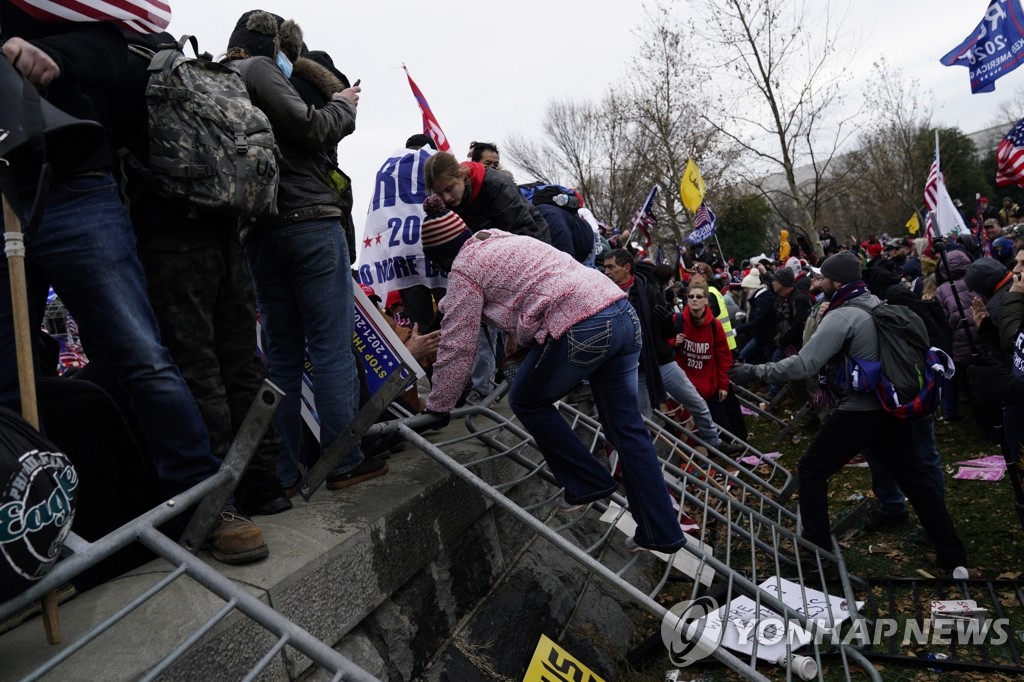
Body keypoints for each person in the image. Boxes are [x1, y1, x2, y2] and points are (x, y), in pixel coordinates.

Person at [0, 4, 268, 564]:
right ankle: (31, 535)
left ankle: (204, 501)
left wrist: (54, 56)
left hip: (71, 184)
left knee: (143, 356)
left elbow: (108, 46)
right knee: (7, 380)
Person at [418, 196, 686, 553]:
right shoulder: (499, 240)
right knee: (627, 430)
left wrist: (438, 406)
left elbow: (458, 344)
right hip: (621, 312)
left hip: (583, 323)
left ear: (443, 258)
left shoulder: (465, 270)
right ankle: (662, 530)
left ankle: (587, 481)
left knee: (527, 398)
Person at [225, 10, 386, 493]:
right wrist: (343, 105)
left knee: (281, 358)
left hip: (258, 231)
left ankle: (283, 471)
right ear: (272, 47)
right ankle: (343, 460)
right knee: (331, 346)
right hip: (308, 223)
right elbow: (309, 127)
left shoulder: (219, 80)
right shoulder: (258, 68)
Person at [729, 252, 969, 569]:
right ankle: (952, 553)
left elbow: (805, 364)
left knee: (812, 469)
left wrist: (753, 372)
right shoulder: (875, 303)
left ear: (837, 281)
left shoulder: (841, 316)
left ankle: (817, 553)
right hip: (888, 407)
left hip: (859, 411)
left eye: (823, 278)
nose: (819, 282)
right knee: (916, 480)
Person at [604, 250, 743, 455]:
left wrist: (666, 321)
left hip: (662, 362)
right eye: (605, 267)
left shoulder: (648, 289)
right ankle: (644, 460)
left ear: (626, 268)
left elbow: (670, 331)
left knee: (697, 404)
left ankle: (714, 442)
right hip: (637, 367)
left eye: (611, 267)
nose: (606, 272)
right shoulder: (606, 295)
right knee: (643, 418)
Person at [670, 280, 747, 439]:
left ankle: (730, 453)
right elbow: (661, 347)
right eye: (691, 296)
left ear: (706, 300)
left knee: (723, 427)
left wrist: (723, 386)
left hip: (710, 386)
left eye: (699, 296)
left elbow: (724, 358)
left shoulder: (714, 325)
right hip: (687, 387)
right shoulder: (677, 321)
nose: (694, 299)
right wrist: (673, 342)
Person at [735, 272, 776, 364]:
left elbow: (757, 320)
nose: (744, 291)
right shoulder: (760, 297)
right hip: (761, 337)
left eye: (746, 288)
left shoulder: (761, 299)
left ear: (752, 288)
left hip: (765, 337)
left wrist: (737, 330)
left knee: (744, 356)